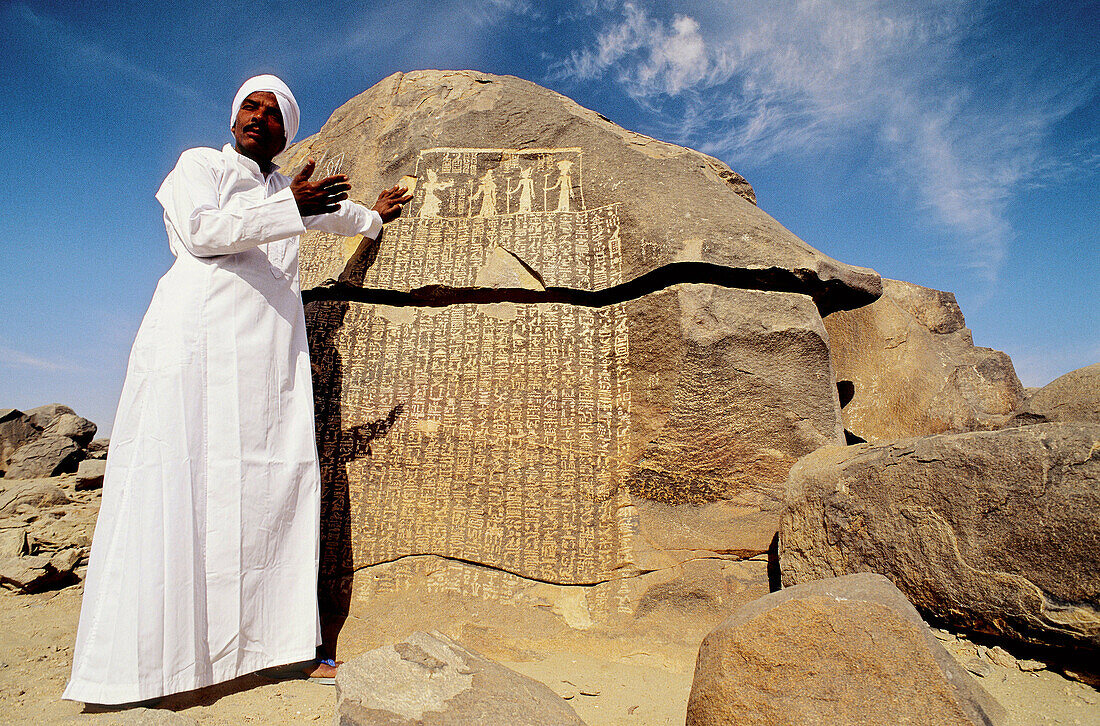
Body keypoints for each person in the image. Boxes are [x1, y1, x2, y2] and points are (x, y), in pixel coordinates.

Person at [62, 74, 411, 705]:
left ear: (287, 133)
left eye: (274, 112)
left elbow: (342, 216)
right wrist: (293, 208)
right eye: (250, 106)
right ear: (232, 120)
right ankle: (149, 669)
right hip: (194, 351)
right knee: (180, 489)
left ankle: (274, 650)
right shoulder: (200, 165)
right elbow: (203, 231)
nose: (259, 116)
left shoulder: (284, 189)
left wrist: (375, 219)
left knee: (268, 492)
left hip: (266, 366)